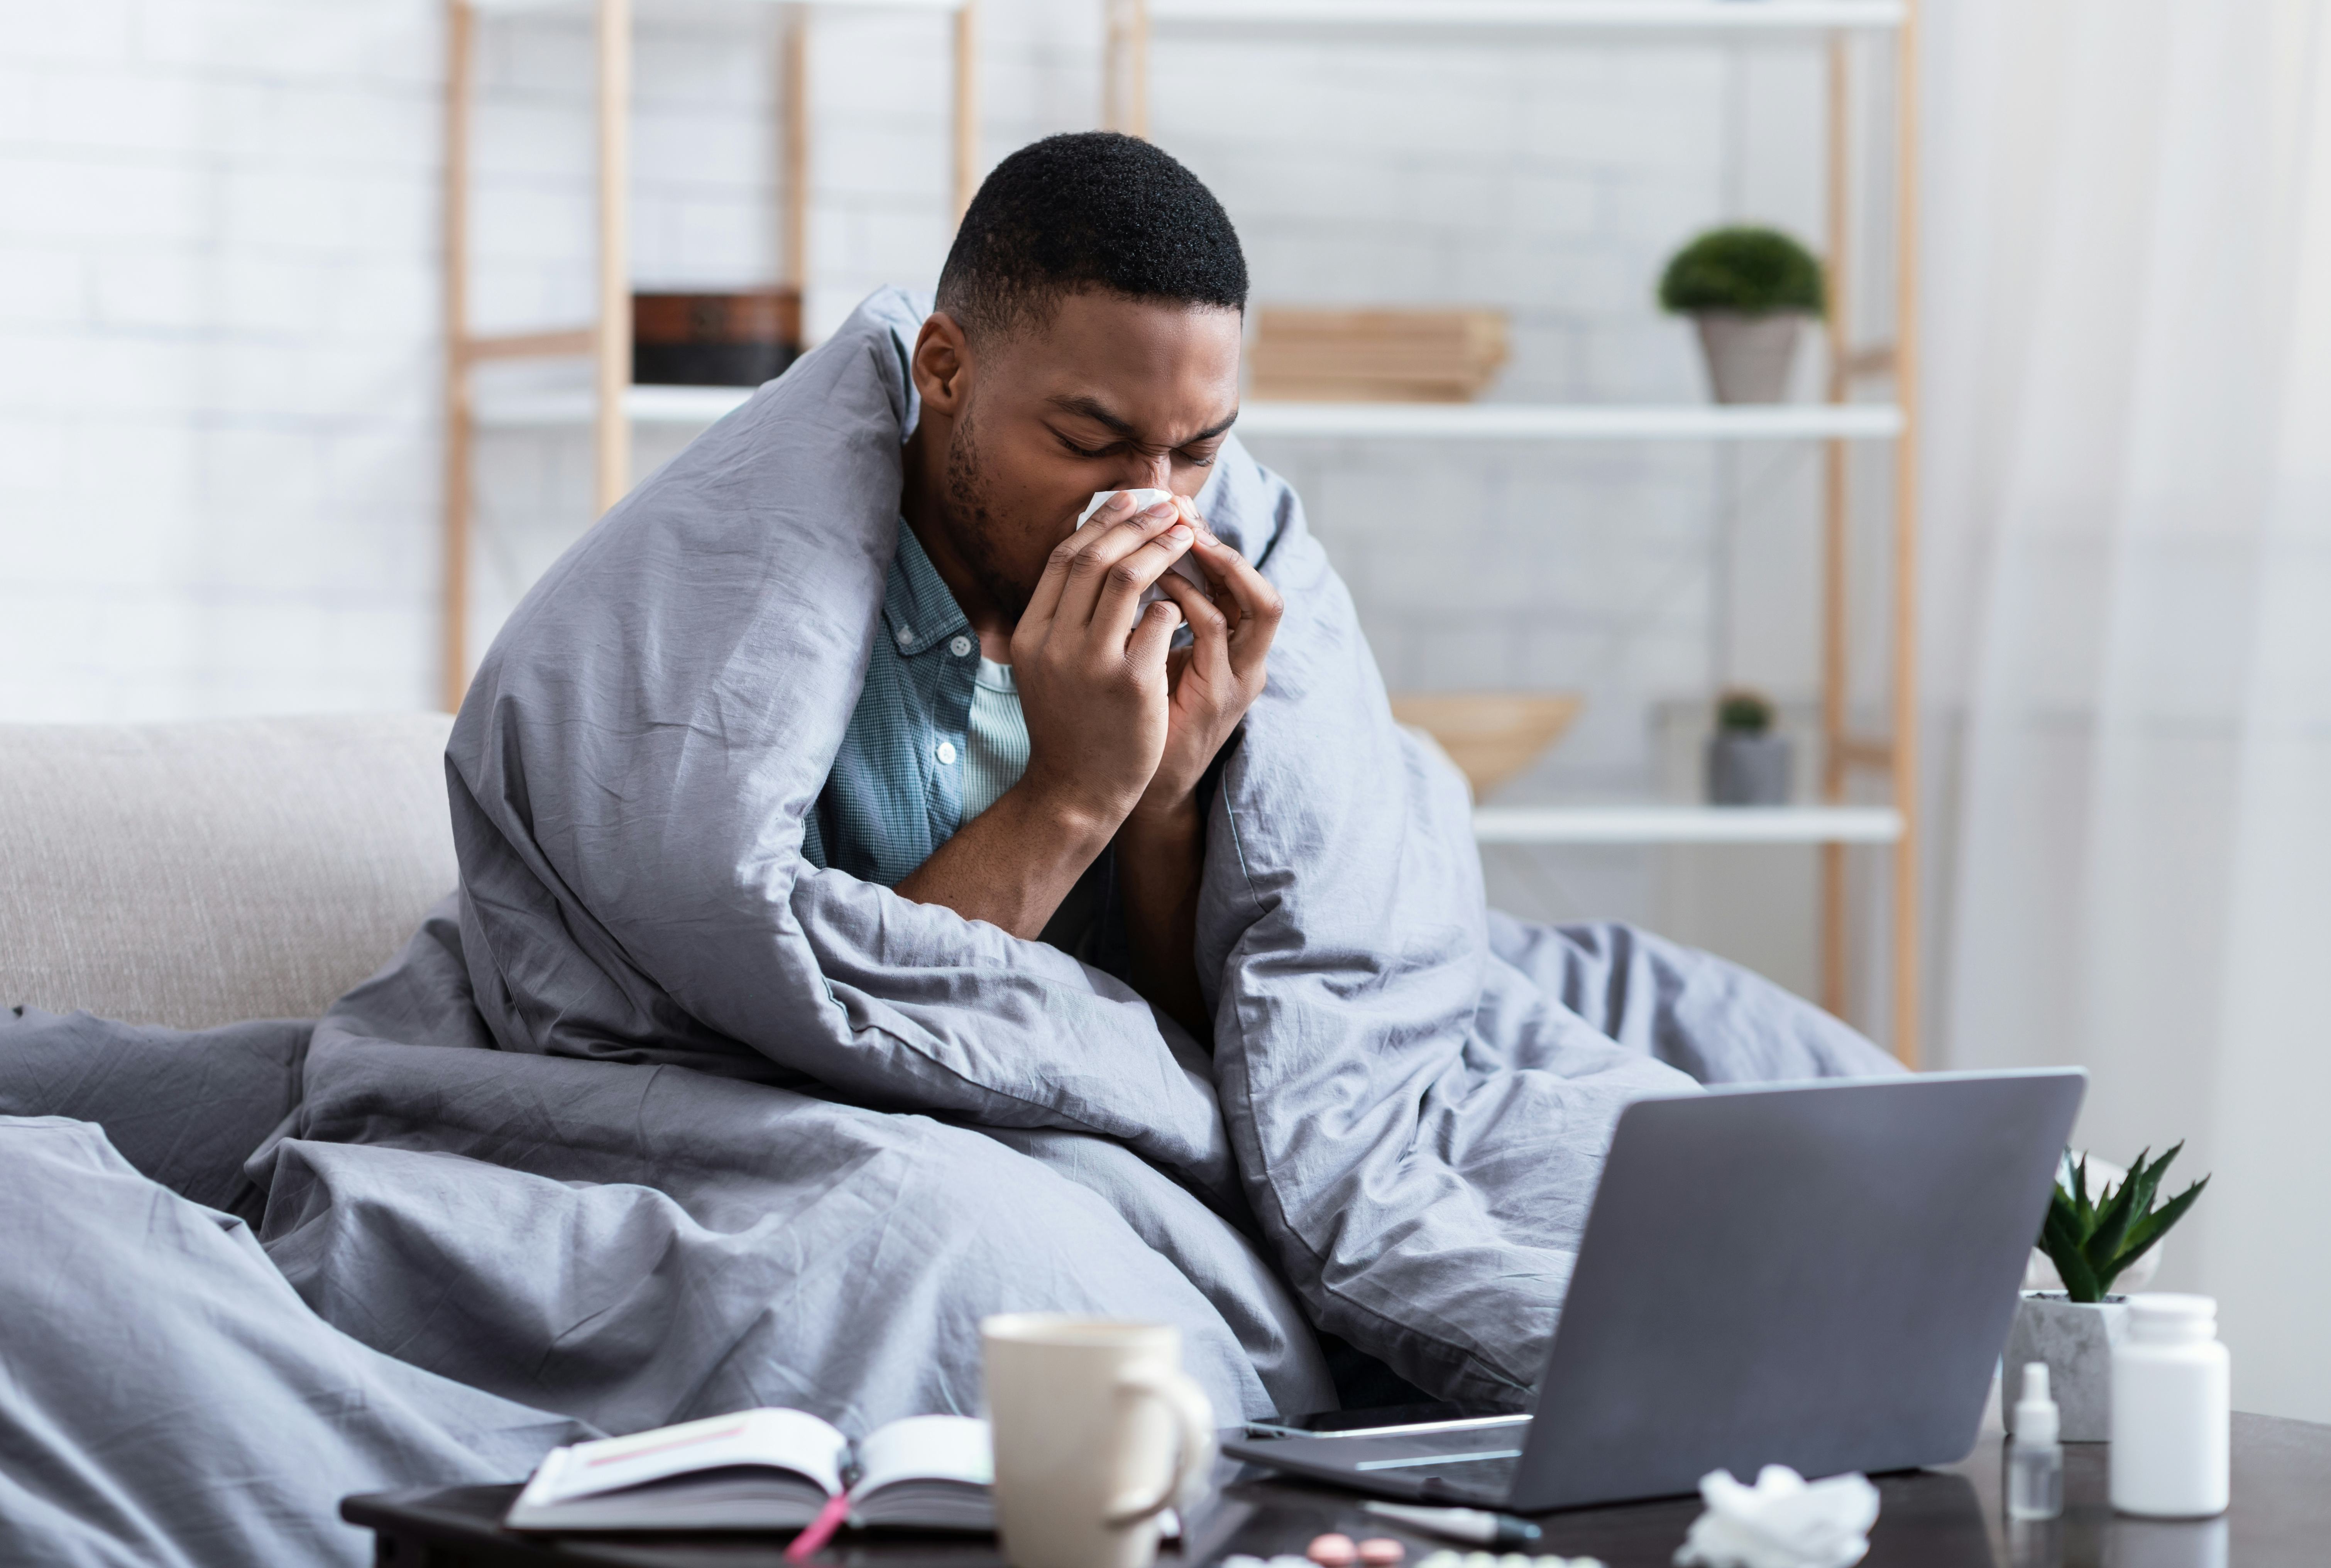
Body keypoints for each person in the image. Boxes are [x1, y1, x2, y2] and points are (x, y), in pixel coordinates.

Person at [804, 131, 1275, 1042]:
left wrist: (1161, 802)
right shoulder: (795, 628)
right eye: (1090, 444)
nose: (1150, 503)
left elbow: (1204, 1065)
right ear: (943, 369)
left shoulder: (1178, 627)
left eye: (1198, 452)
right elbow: (818, 1030)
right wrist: (1072, 794)